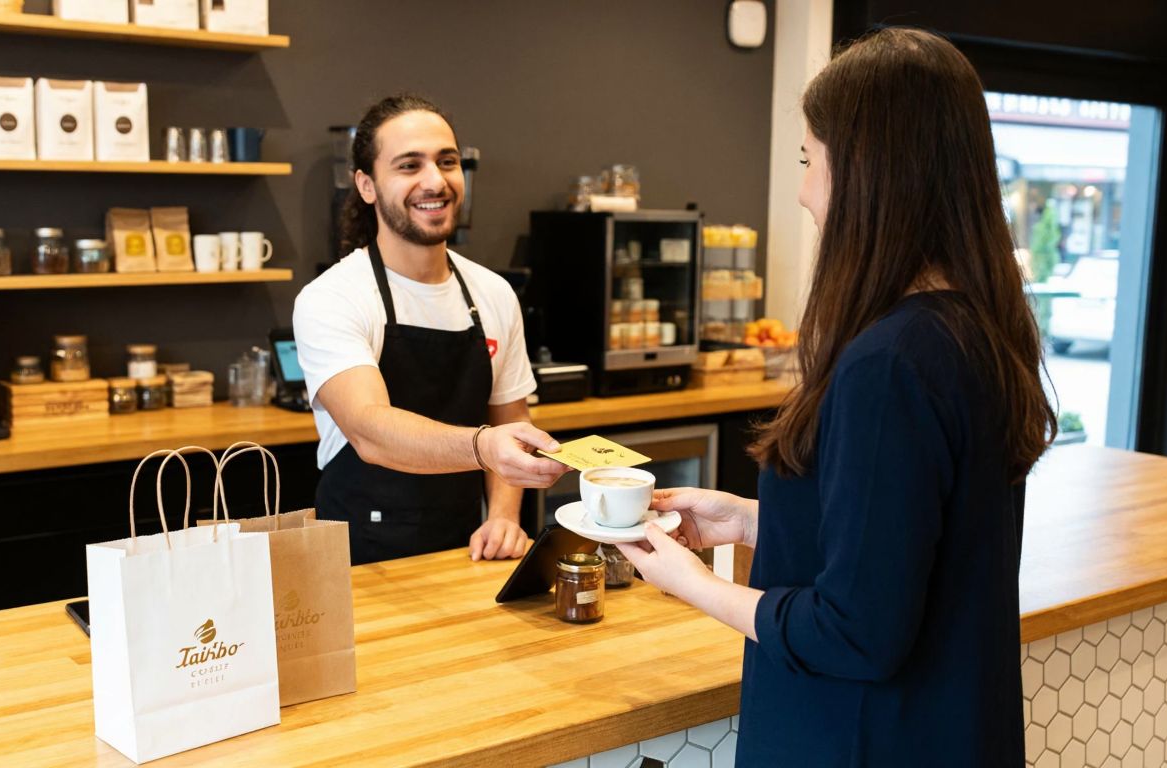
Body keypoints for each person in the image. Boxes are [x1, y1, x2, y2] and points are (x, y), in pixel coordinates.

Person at [616, 28, 1056, 766]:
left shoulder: (889, 364)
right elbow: (909, 540)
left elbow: (856, 631)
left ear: (868, 171)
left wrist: (691, 584)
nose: (802, 189)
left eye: (807, 158)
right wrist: (753, 521)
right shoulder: (975, 328)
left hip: (865, 741)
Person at [293, 94, 568, 566]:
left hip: (465, 553)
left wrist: (503, 515)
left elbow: (511, 423)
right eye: (409, 165)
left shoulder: (494, 293)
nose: (435, 181)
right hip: (358, 561)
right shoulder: (332, 297)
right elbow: (370, 430)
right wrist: (482, 447)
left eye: (447, 161)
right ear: (366, 185)